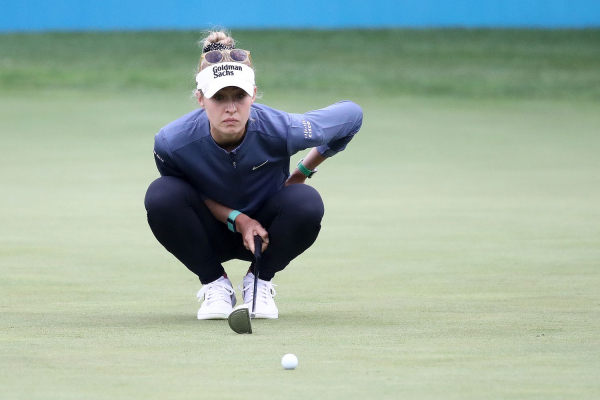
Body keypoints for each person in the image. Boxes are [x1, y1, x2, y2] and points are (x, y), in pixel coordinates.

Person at [144, 31, 363, 320]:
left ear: (254, 95)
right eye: (218, 97)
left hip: (267, 235)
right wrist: (240, 220)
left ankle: (258, 282)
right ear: (200, 98)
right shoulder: (172, 143)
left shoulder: (283, 129)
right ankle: (214, 284)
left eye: (240, 96)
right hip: (208, 234)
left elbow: (352, 115)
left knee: (305, 201)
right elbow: (186, 196)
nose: (231, 107)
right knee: (162, 195)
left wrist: (302, 171)